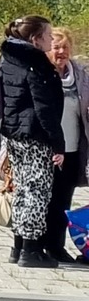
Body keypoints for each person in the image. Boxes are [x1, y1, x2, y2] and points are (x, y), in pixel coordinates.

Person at [0, 14, 69, 266]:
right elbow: (44, 107)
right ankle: (31, 250)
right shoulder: (36, 64)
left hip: (13, 132)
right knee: (38, 191)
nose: (52, 39)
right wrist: (58, 143)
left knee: (22, 189)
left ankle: (17, 247)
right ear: (36, 39)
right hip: (35, 135)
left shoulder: (9, 58)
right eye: (49, 35)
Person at [54, 27, 87, 257]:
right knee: (46, 200)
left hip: (73, 148)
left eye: (65, 47)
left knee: (64, 201)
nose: (61, 52)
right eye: (56, 47)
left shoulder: (80, 76)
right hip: (50, 149)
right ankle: (40, 245)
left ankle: (57, 246)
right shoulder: (43, 74)